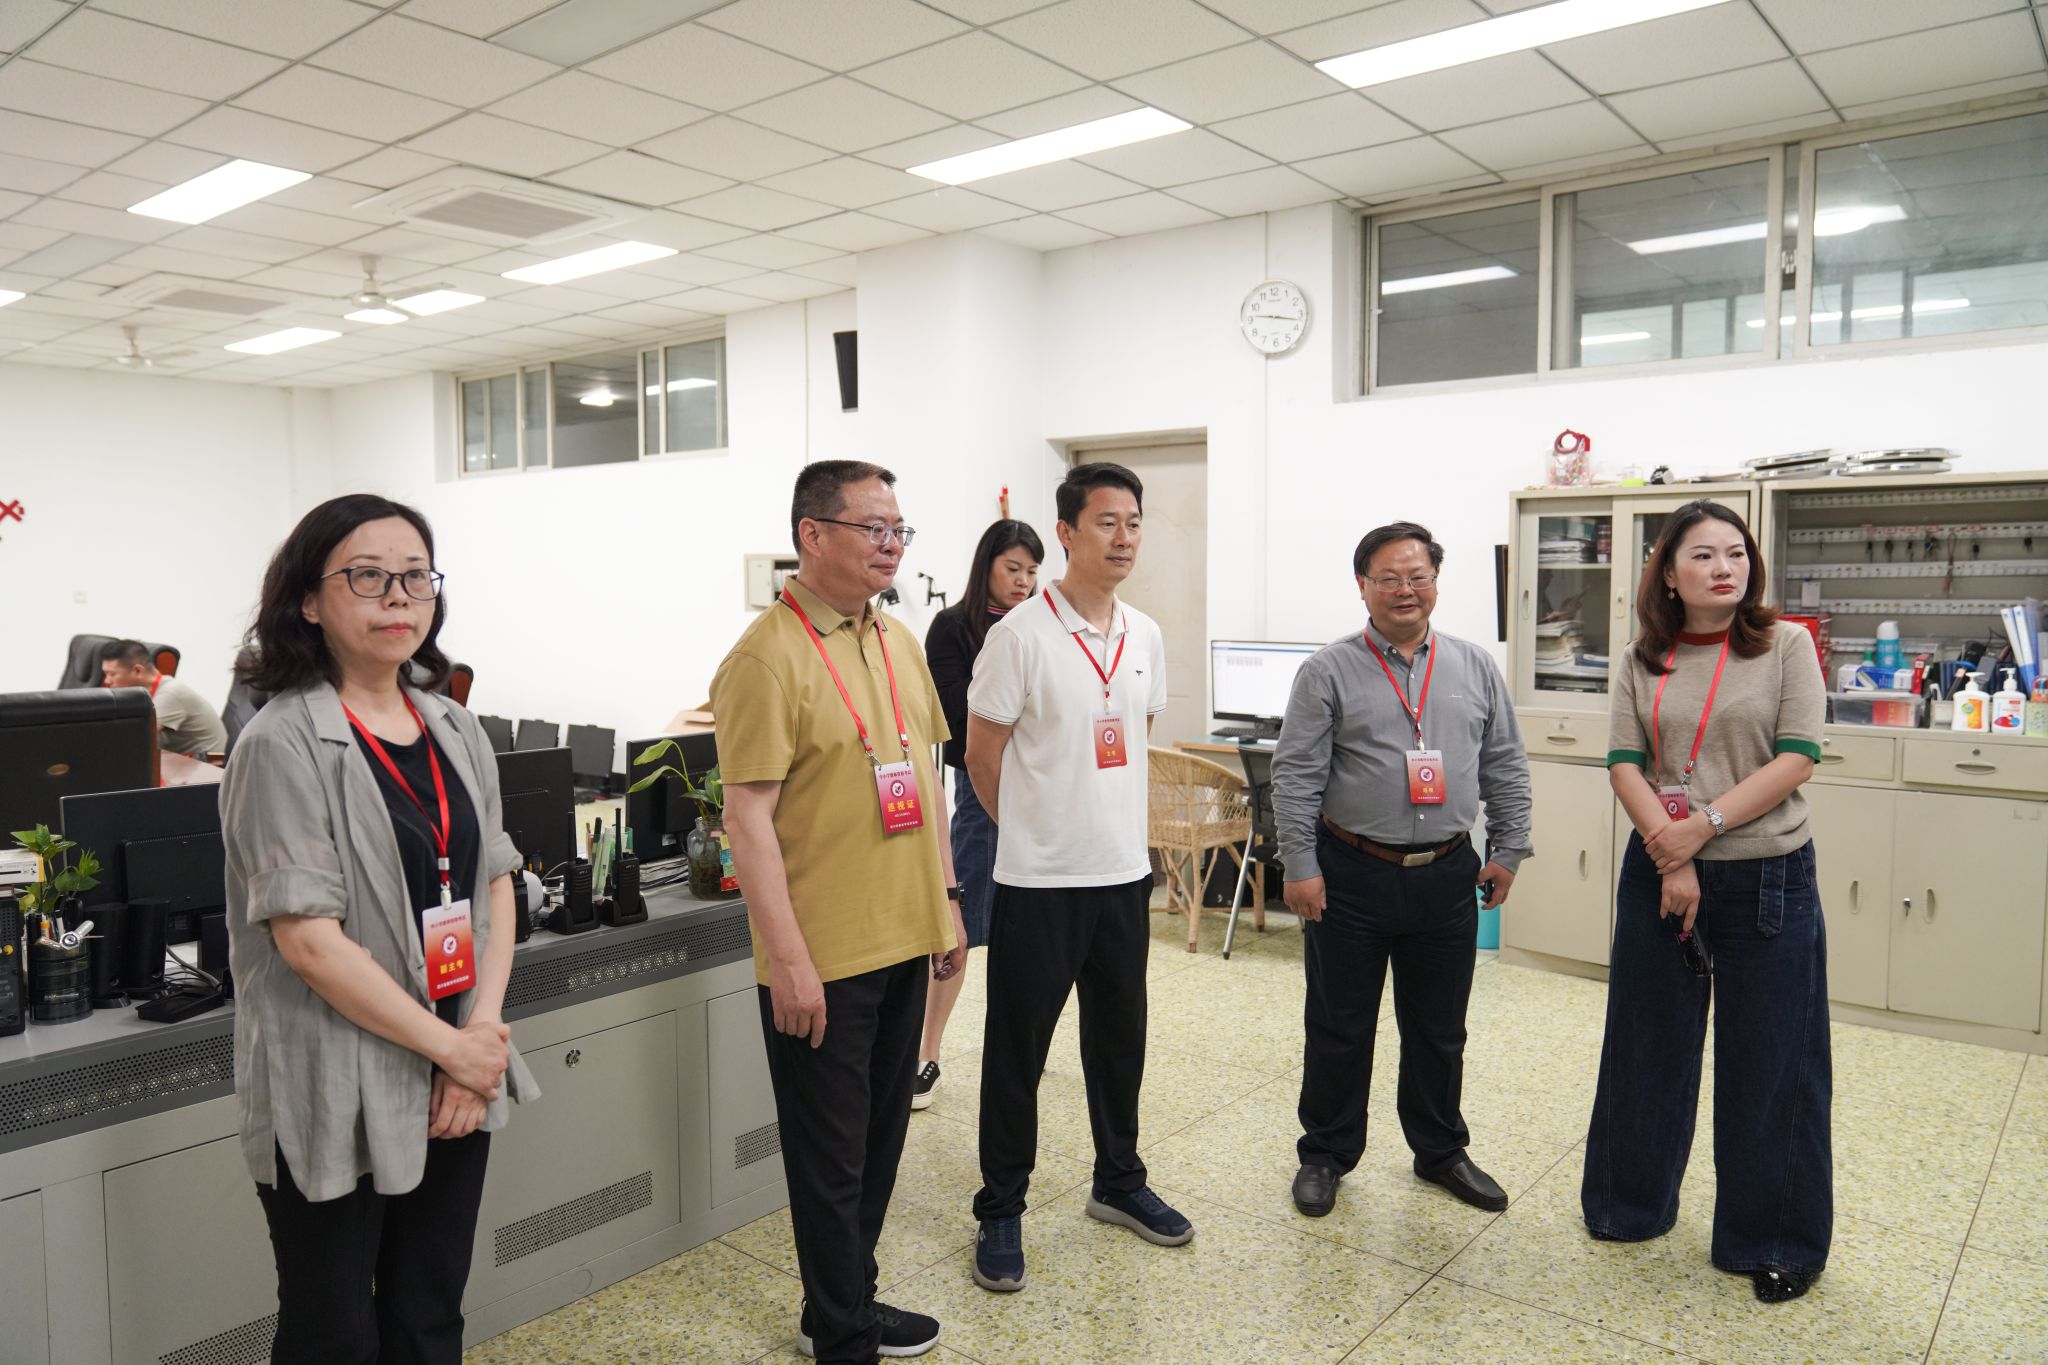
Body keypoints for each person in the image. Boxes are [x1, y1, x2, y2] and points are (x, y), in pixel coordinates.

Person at [220, 493, 534, 1365]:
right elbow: (309, 944)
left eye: (415, 576)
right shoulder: (279, 743)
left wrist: (477, 1036)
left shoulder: (453, 725)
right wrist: (455, 1049)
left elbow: (495, 881)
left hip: (455, 1062)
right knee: (334, 1334)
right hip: (336, 1072)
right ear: (308, 601)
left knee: (429, 1313)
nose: (398, 596)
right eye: (367, 576)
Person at [712, 460, 965, 1364]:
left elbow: (926, 783)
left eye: (899, 529)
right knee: (831, 1160)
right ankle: (843, 1335)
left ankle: (843, 1304)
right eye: (873, 528)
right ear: (812, 535)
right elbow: (746, 820)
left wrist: (946, 901)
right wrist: (786, 958)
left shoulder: (896, 639)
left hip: (905, 933)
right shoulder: (764, 657)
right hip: (822, 955)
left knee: (882, 1144)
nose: (891, 544)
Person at [1582, 499, 1830, 1303]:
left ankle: (1775, 1240)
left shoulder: (1785, 645)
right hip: (1661, 866)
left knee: (1773, 1061)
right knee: (1645, 1045)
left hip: (1766, 873)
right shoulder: (1642, 655)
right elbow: (1625, 762)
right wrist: (1671, 850)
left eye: (1736, 553)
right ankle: (1628, 1205)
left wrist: (1703, 828)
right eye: (1703, 555)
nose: (1725, 568)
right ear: (1668, 572)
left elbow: (1797, 757)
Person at [965, 461, 1191, 1296]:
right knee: (1017, 1052)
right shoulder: (1019, 635)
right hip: (1038, 882)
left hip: (1124, 876)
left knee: (1119, 1039)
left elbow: (1136, 740)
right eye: (1106, 522)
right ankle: (1000, 1206)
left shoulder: (1146, 633)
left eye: (1133, 522)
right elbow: (981, 757)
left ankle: (1118, 1180)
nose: (1124, 537)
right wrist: (1036, 831)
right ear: (1065, 531)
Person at [1271, 520, 1532, 1221]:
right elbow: (1295, 775)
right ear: (1362, 586)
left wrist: (1509, 847)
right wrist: (1300, 864)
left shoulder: (1474, 666)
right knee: (1339, 1025)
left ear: (1436, 583)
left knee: (1440, 1029)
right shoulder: (1328, 670)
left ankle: (1440, 1150)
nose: (1405, 589)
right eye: (1388, 577)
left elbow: (1505, 762)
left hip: (1447, 872)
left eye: (1418, 576)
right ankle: (1325, 1153)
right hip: (1350, 872)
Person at [912, 518, 1043, 1110]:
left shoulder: (1042, 627)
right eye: (1013, 568)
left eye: (1032, 571)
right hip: (981, 789)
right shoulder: (953, 626)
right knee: (958, 926)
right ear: (986, 564)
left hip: (1040, 793)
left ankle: (1023, 1050)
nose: (1023, 581)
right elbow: (956, 719)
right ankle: (926, 1051)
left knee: (1030, 933)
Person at [100, 638, 228, 758]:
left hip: (206, 764)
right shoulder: (144, 693)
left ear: (137, 670)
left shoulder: (170, 693)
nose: (106, 681)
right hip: (180, 760)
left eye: (112, 674)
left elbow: (134, 739)